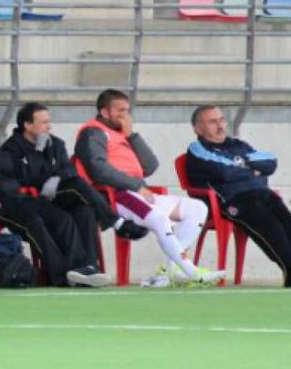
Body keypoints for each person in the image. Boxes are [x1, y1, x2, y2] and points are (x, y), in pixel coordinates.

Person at [75, 89, 224, 287]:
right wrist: (136, 185)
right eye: (120, 111)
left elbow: (150, 166)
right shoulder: (93, 132)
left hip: (139, 192)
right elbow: (98, 169)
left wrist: (132, 135)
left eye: (127, 110)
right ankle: (192, 272)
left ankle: (171, 270)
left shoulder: (123, 134)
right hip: (118, 195)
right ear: (104, 112)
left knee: (198, 208)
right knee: (159, 219)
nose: (125, 115)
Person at [0, 95, 109, 287]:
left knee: (63, 218)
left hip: (14, 194)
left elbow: (5, 165)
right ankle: (61, 276)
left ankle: (80, 269)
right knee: (34, 223)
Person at [2, 101, 148, 246]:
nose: (49, 127)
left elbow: (69, 169)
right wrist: (37, 153)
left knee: (86, 211)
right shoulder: (11, 148)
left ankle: (89, 266)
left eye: (49, 122)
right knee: (76, 184)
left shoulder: (55, 143)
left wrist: (57, 177)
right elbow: (25, 178)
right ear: (28, 125)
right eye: (44, 123)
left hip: (60, 193)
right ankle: (117, 222)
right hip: (36, 198)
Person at [186, 105, 291, 287]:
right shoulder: (197, 148)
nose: (220, 125)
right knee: (271, 228)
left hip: (263, 194)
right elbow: (221, 171)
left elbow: (270, 162)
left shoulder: (238, 145)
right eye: (212, 121)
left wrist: (242, 163)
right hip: (233, 200)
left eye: (221, 119)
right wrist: (251, 169)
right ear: (198, 128)